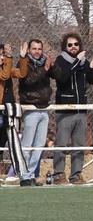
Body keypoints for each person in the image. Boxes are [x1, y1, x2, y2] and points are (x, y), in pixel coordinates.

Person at [51, 33, 93, 185]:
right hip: (65, 109)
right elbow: (63, 78)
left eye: (76, 44)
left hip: (81, 109)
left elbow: (92, 80)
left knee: (79, 144)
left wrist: (91, 68)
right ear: (65, 47)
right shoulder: (61, 60)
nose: (73, 47)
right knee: (62, 143)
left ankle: (76, 174)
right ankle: (59, 174)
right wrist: (77, 62)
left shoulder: (83, 62)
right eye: (70, 45)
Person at [18, 39, 53, 186]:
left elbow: (58, 75)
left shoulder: (44, 62)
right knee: (27, 144)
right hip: (30, 108)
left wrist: (52, 65)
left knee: (39, 145)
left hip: (44, 108)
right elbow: (28, 81)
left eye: (39, 49)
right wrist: (44, 69)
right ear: (28, 50)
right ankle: (24, 175)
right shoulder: (24, 63)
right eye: (34, 49)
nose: (37, 51)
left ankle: (31, 174)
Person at [0, 43, 29, 182]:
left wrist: (22, 58)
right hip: (1, 111)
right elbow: (4, 75)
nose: (2, 58)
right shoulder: (4, 68)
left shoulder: (7, 66)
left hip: (9, 112)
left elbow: (22, 73)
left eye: (3, 55)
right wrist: (9, 57)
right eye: (0, 55)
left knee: (12, 142)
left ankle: (21, 172)